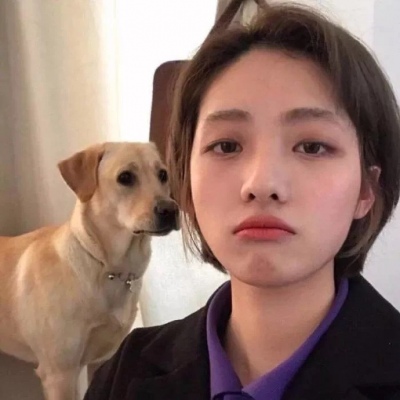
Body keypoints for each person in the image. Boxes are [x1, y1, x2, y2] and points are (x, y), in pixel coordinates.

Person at [84, 2, 400, 399]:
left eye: (312, 146)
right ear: (186, 183)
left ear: (367, 190)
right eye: (227, 146)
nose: (261, 183)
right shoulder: (125, 371)